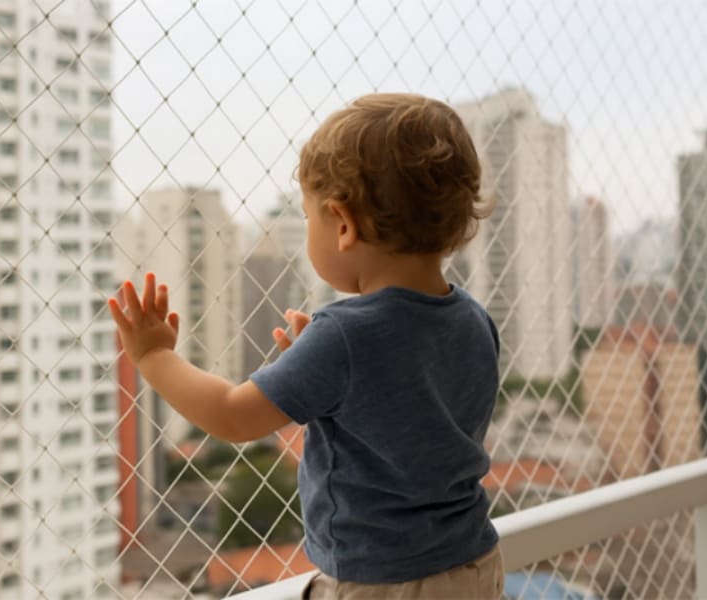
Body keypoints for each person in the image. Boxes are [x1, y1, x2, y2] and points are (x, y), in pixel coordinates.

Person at [109, 93, 504, 599]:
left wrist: (153, 356)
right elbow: (415, 408)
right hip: (472, 564)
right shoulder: (471, 318)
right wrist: (328, 372)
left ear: (343, 224)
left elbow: (233, 416)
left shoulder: (343, 336)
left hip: (382, 583)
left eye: (309, 216)